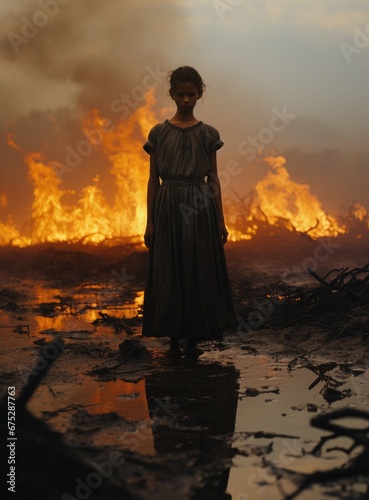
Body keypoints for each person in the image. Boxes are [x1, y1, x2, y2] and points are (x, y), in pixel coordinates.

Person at [142, 66, 235, 356]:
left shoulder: (208, 133)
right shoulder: (158, 133)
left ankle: (195, 337)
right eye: (180, 94)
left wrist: (220, 219)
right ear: (171, 94)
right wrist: (150, 223)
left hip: (200, 206)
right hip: (167, 205)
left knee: (199, 267)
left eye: (191, 94)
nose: (185, 100)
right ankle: (172, 338)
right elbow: (152, 180)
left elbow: (214, 178)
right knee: (168, 269)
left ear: (199, 94)